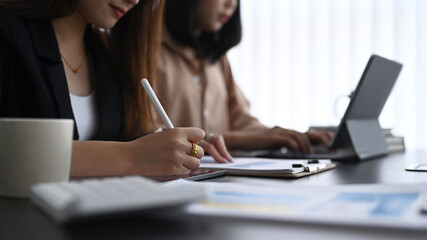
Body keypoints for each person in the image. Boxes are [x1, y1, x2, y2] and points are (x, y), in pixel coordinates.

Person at [0, 0, 219, 177]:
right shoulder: (8, 34)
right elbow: (9, 155)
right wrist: (132, 157)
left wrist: (181, 145)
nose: (134, 1)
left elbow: (126, 135)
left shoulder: (105, 56)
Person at [154, 0, 333, 154]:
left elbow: (242, 122)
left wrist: (286, 136)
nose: (231, 4)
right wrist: (246, 140)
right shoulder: (148, 53)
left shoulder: (216, 58)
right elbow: (150, 135)